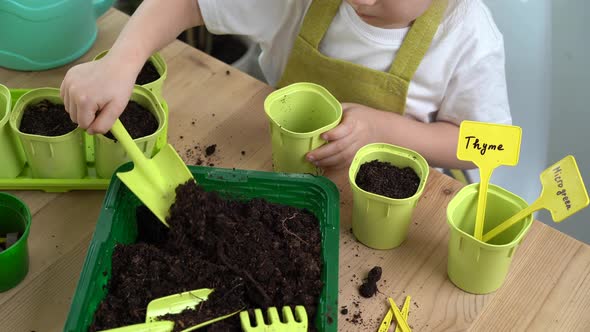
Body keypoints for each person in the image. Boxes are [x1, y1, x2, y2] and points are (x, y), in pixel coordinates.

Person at [60, 0, 510, 172]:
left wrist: (382, 131)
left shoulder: (468, 36)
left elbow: (495, 145)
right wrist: (122, 60)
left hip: (387, 203)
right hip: (274, 164)